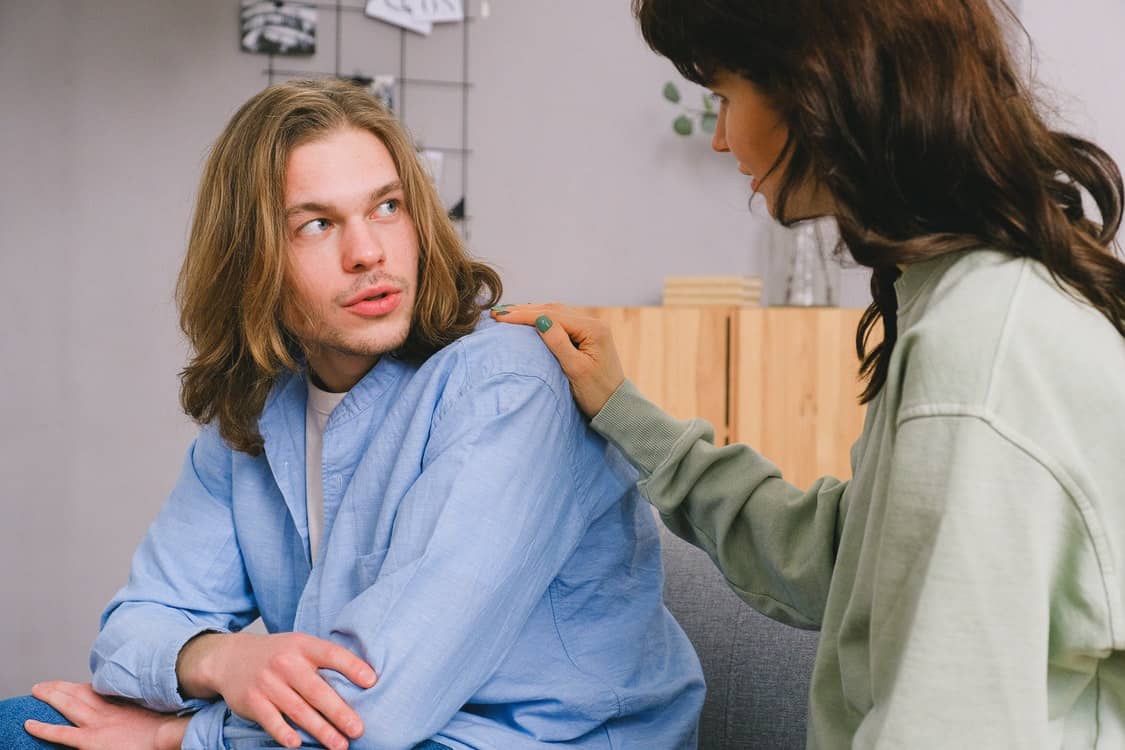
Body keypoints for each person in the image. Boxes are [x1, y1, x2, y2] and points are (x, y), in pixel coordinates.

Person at [0, 78, 704, 750]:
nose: (367, 252)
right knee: (20, 727)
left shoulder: (509, 385)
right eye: (316, 224)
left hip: (528, 741)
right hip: (350, 734)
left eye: (387, 208)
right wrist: (220, 661)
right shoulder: (255, 412)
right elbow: (131, 634)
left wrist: (179, 735)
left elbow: (378, 707)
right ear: (254, 262)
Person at [494, 0, 1125, 747]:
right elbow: (844, 561)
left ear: (817, 89)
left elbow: (945, 726)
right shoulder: (962, 299)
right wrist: (626, 413)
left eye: (725, 97)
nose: (722, 138)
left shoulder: (980, 352)